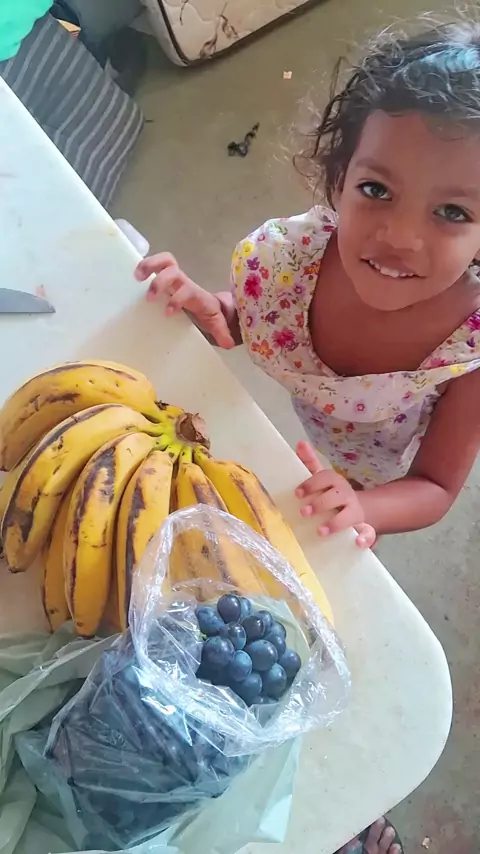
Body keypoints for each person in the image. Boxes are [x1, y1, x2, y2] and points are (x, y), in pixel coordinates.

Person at [136, 18, 480, 851]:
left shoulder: (468, 344)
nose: (400, 236)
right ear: (337, 177)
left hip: (377, 470)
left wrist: (364, 507)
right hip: (305, 439)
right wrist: (203, 305)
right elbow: (247, 318)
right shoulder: (288, 261)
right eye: (377, 190)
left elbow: (435, 487)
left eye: (452, 211)